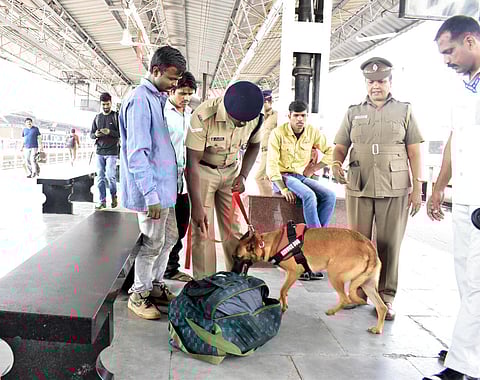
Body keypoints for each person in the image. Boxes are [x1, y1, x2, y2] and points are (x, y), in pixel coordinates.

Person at [332, 57, 424, 320]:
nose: (376, 86)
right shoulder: (353, 112)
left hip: (395, 187)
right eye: (371, 82)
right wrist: (337, 162)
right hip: (359, 184)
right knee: (357, 243)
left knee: (389, 244)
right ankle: (358, 292)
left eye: (381, 81)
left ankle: (386, 296)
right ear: (366, 83)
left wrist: (417, 188)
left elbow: (414, 152)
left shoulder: (404, 111)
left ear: (390, 82)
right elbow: (340, 146)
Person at [423, 15, 480, 380]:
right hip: (465, 198)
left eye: (450, 51)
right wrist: (439, 186)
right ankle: (467, 346)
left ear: (471, 41)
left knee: (478, 284)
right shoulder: (465, 87)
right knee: (466, 282)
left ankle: (463, 367)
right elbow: (454, 140)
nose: (447, 60)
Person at [118, 45, 186, 320]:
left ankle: (156, 286)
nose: (173, 85)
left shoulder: (156, 99)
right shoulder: (139, 101)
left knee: (170, 238)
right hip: (153, 193)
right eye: (171, 78)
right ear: (155, 70)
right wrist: (150, 194)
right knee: (151, 243)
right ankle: (139, 294)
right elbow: (137, 153)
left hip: (165, 190)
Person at [185, 80, 264, 280]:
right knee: (202, 229)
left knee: (235, 230)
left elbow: (254, 145)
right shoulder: (203, 116)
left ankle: (235, 281)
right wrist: (196, 205)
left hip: (231, 172)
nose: (243, 125)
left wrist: (243, 175)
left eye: (247, 121)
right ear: (227, 110)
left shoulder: (254, 119)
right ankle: (206, 284)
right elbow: (192, 162)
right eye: (239, 121)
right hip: (203, 172)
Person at [266, 100, 336, 280]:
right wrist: (282, 188)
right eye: (296, 115)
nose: (300, 119)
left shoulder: (312, 132)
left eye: (303, 115)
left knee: (329, 195)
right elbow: (271, 164)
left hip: (301, 176)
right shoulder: (277, 133)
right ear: (289, 116)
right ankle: (316, 245)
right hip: (283, 177)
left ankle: (316, 238)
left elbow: (331, 151)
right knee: (309, 196)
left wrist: (314, 168)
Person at [162, 71, 196, 282]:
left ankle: (171, 267)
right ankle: (163, 270)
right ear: (172, 90)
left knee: (182, 225)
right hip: (165, 180)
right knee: (163, 231)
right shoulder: (162, 112)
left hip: (184, 182)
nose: (186, 98)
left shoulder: (191, 114)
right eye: (183, 93)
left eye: (190, 94)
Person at [90, 92, 120, 209]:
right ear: (100, 104)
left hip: (112, 152)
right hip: (99, 151)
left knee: (110, 175)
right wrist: (95, 135)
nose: (106, 107)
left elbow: (122, 133)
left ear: (111, 103)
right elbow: (91, 134)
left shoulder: (116, 116)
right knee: (100, 177)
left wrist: (110, 132)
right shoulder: (97, 117)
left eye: (108, 104)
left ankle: (113, 196)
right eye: (104, 104)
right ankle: (102, 201)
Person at [255, 89, 278, 180]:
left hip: (270, 152)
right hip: (261, 152)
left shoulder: (276, 116)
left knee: (259, 178)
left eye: (263, 103)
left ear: (269, 102)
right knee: (264, 180)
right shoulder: (259, 117)